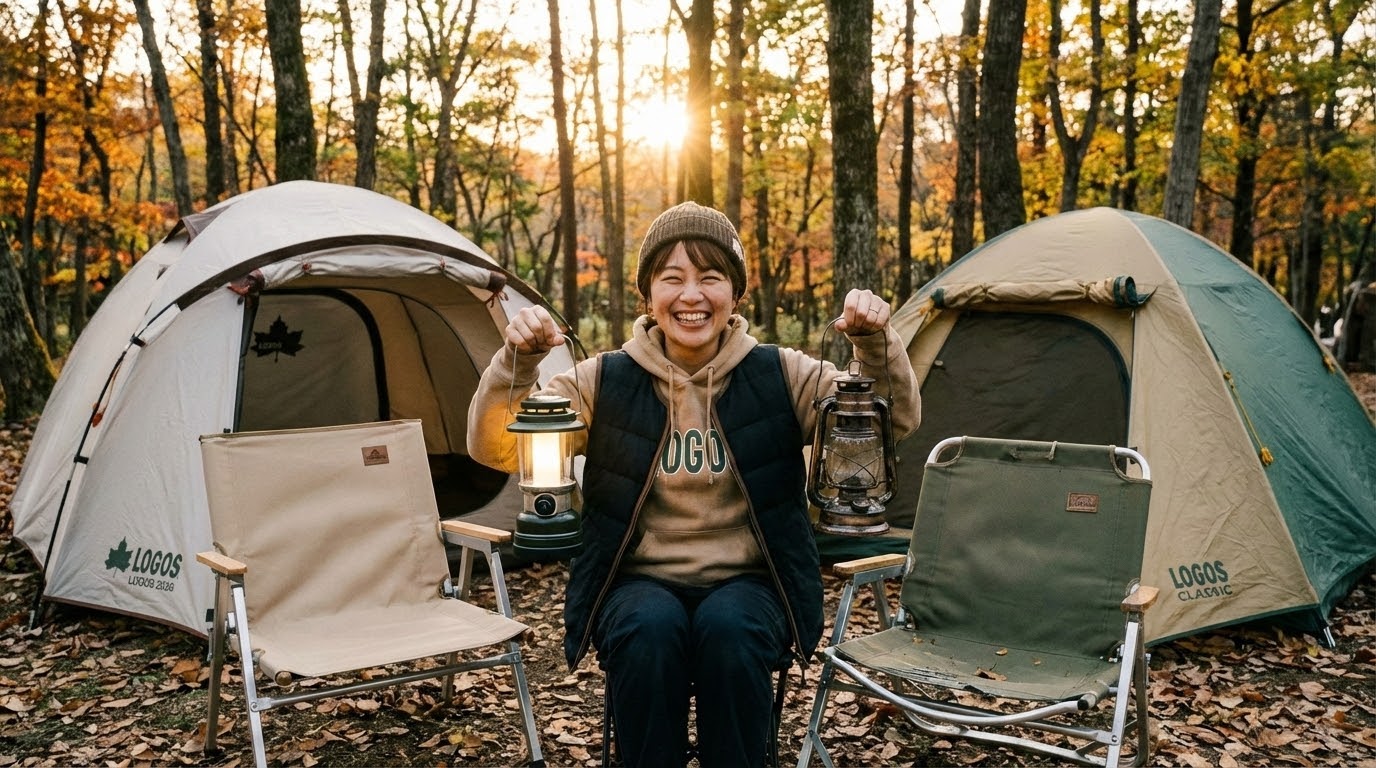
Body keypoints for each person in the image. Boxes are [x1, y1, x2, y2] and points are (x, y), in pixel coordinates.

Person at [468, 201, 920, 767]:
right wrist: (517, 361)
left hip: (753, 581)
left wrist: (875, 345)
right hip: (634, 580)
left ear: (735, 293)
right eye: (672, 278)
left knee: (730, 632)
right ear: (648, 294)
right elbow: (496, 447)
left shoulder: (783, 374)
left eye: (710, 277)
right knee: (648, 633)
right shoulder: (602, 380)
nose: (691, 296)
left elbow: (889, 424)